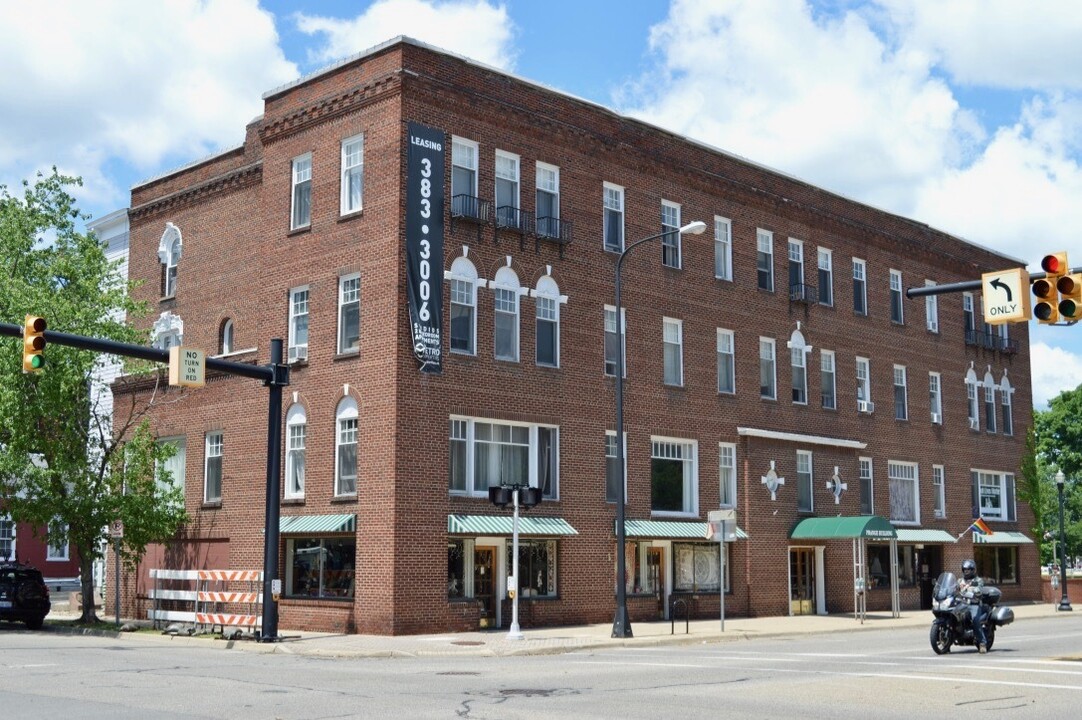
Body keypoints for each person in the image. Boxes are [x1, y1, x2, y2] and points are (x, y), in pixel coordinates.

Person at [959, 559, 988, 653]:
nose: (966, 571)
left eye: (969, 569)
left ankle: (982, 643)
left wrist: (976, 591)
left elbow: (980, 588)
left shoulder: (978, 580)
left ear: (973, 570)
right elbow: (953, 588)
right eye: (965, 569)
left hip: (974, 604)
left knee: (975, 620)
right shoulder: (960, 580)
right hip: (962, 603)